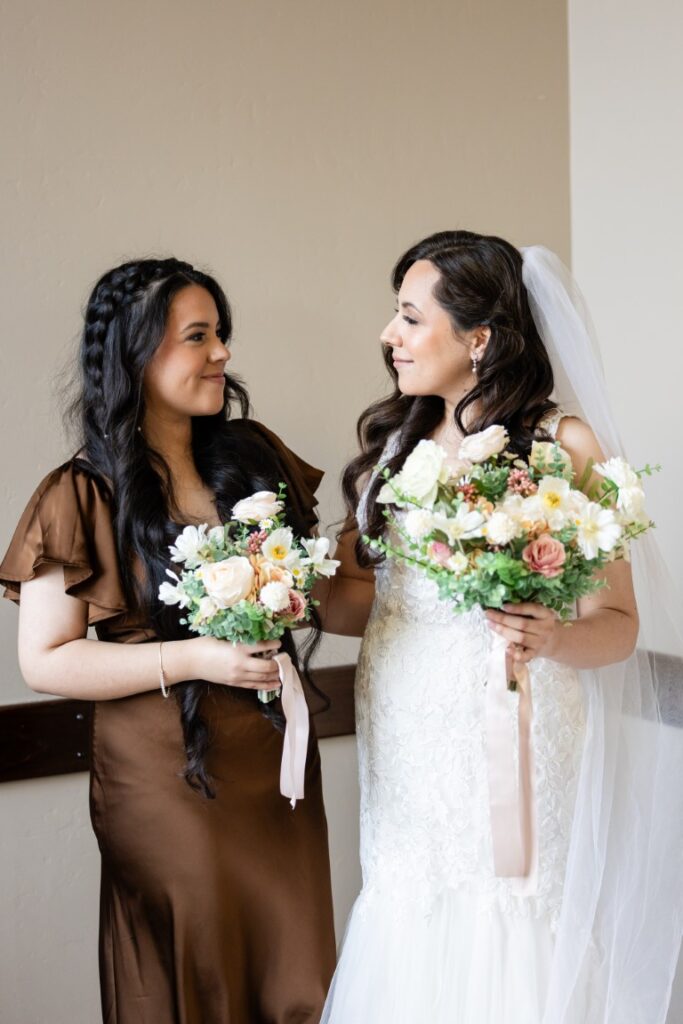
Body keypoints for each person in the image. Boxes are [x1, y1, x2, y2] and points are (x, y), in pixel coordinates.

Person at [319, 231, 682, 1023]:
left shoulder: (562, 446)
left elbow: (616, 625)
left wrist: (548, 636)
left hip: (515, 718)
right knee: (410, 900)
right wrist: (291, 592)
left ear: (477, 337)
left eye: (410, 318)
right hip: (405, 725)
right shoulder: (395, 443)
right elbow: (360, 600)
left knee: (513, 905)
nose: (390, 335)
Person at [0, 258, 336, 1024]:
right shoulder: (79, 492)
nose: (221, 353)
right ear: (136, 354)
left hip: (273, 767)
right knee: (198, 974)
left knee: (295, 968)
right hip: (162, 777)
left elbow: (316, 583)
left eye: (220, 334)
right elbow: (44, 659)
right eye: (198, 336)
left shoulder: (252, 459)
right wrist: (198, 658)